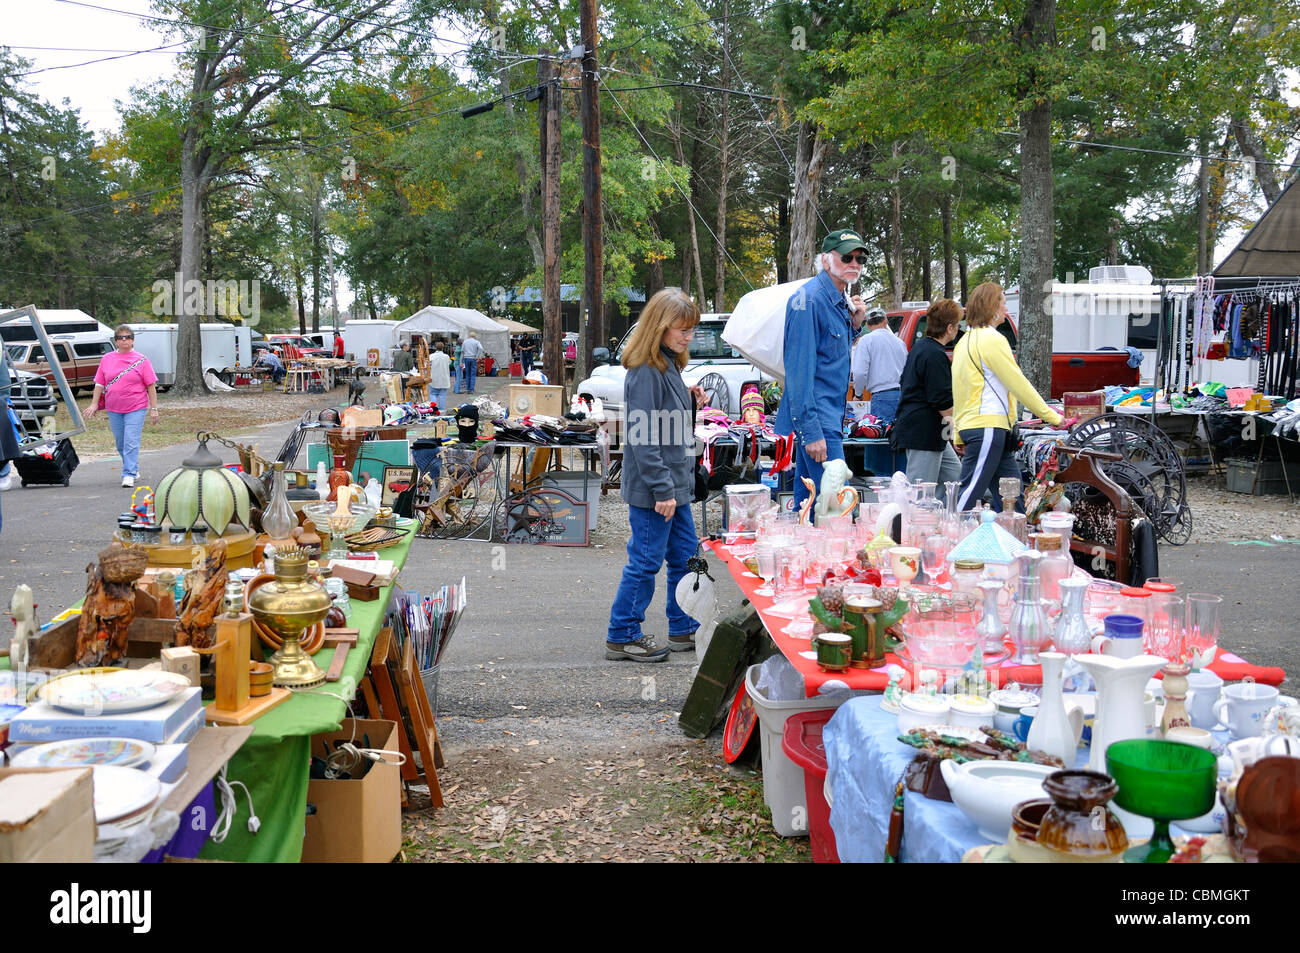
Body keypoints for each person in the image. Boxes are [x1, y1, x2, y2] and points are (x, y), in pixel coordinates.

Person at [606, 287, 707, 663]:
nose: (687, 336)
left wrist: (688, 396)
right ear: (660, 327)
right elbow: (644, 438)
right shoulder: (646, 371)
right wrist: (663, 489)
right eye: (682, 328)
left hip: (673, 487)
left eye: (689, 329)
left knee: (684, 557)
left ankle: (682, 627)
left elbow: (665, 423)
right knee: (646, 561)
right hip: (657, 490)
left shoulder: (666, 366)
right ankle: (622, 633)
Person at [775, 227, 869, 512]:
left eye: (860, 259)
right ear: (826, 260)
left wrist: (855, 325)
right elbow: (799, 374)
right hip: (819, 423)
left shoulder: (836, 300)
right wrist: (812, 432)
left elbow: (830, 355)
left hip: (826, 421)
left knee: (808, 508)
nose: (854, 264)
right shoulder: (810, 299)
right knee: (832, 512)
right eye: (847, 257)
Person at [952, 281, 1064, 512]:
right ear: (993, 307)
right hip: (988, 427)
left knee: (1012, 499)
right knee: (968, 494)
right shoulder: (992, 339)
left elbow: (959, 390)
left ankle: (1020, 541)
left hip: (981, 428)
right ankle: (943, 538)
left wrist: (958, 433)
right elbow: (1017, 382)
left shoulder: (963, 342)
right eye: (1003, 302)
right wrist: (1052, 416)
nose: (1005, 308)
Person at [892, 299, 964, 502]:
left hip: (931, 431)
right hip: (923, 432)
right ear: (949, 328)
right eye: (957, 326)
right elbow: (942, 402)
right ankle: (914, 526)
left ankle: (937, 520)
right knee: (920, 491)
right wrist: (956, 434)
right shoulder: (934, 354)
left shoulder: (921, 347)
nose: (958, 330)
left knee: (954, 476)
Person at [85, 325, 159, 488]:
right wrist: (94, 403)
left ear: (133, 340)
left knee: (131, 441)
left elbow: (151, 386)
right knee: (120, 443)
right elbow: (99, 383)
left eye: (128, 337)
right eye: (120, 337)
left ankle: (128, 474)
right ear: (116, 341)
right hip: (114, 407)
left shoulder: (141, 360)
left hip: (136, 406)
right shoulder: (107, 359)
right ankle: (133, 467)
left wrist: (153, 409)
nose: (124, 340)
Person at [850, 307, 907, 424]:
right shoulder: (900, 343)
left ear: (868, 325)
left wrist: (858, 394)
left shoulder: (866, 341)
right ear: (885, 321)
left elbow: (860, 372)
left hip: (881, 396)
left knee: (879, 437)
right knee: (900, 439)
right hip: (903, 395)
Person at [428, 340, 451, 410]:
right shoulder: (446, 356)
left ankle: (433, 409)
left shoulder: (431, 356)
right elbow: (449, 363)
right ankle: (441, 410)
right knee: (442, 396)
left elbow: (428, 365)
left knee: (433, 394)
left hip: (434, 378)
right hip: (444, 379)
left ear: (435, 347)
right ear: (443, 348)